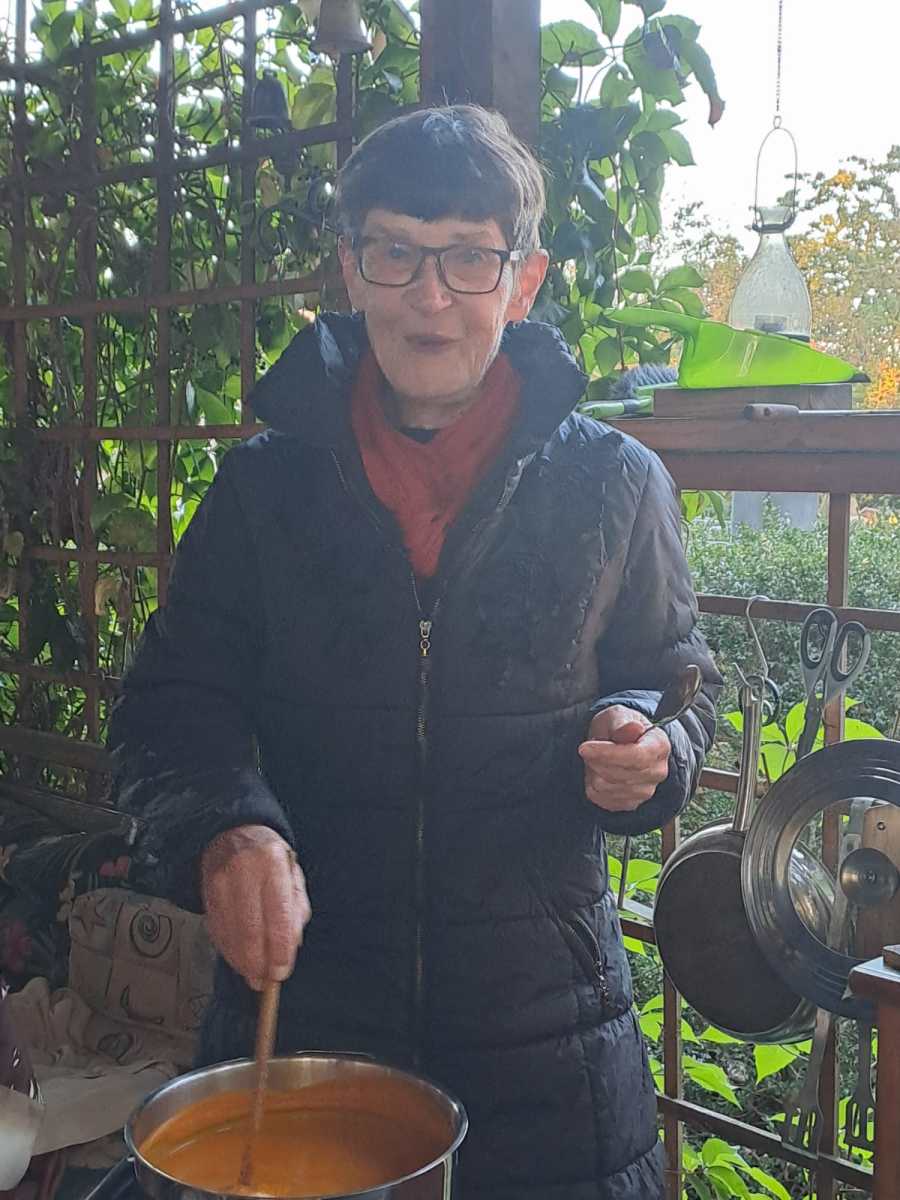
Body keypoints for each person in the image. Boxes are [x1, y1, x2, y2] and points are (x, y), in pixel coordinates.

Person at [109, 105, 721, 1199]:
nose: (430, 297)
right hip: (307, 1021)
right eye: (395, 252)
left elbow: (678, 677)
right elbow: (170, 705)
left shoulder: (616, 484)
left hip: (551, 1052)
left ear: (523, 282)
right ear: (352, 269)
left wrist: (652, 745)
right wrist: (223, 828)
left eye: (469, 258)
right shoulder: (261, 491)